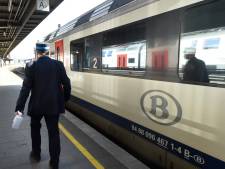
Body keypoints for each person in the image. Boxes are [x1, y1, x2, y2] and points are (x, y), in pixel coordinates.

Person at [15, 43, 71, 169]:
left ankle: (36, 154)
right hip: (53, 106)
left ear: (37, 52)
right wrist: (65, 100)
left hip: (37, 106)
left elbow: (25, 89)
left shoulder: (31, 66)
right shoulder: (58, 65)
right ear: (47, 52)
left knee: (35, 129)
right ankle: (54, 162)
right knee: (53, 133)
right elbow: (67, 84)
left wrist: (19, 108)